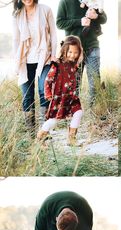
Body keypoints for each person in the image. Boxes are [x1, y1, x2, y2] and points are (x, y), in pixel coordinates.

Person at [12, 0, 57, 137]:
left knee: (44, 90)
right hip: (25, 60)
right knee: (27, 96)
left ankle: (44, 131)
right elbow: (16, 39)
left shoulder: (45, 9)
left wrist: (54, 54)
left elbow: (53, 34)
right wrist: (16, 62)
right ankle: (32, 134)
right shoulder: (17, 14)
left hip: (44, 58)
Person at [56, 0, 107, 106]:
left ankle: (95, 112)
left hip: (92, 46)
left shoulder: (93, 1)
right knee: (74, 84)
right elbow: (59, 23)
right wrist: (79, 22)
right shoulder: (65, 2)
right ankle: (72, 113)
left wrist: (96, 17)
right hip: (74, 50)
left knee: (94, 82)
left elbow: (104, 19)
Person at [37, 36, 84, 146]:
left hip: (71, 97)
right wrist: (48, 93)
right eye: (70, 52)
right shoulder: (57, 65)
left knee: (79, 112)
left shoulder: (75, 66)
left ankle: (71, 139)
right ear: (64, 51)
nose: (73, 55)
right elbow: (48, 80)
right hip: (59, 98)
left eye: (76, 52)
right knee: (54, 120)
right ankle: (40, 136)